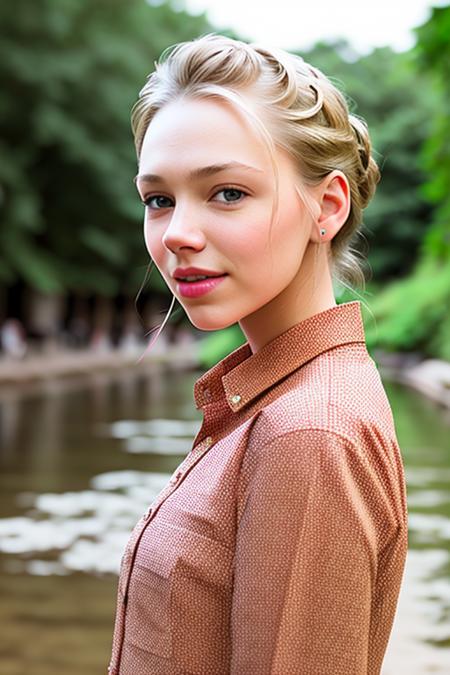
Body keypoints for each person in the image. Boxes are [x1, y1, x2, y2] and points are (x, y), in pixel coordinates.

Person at [108, 33, 408, 675]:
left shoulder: (308, 433)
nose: (179, 234)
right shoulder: (273, 404)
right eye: (158, 199)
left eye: (227, 193)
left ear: (326, 207)